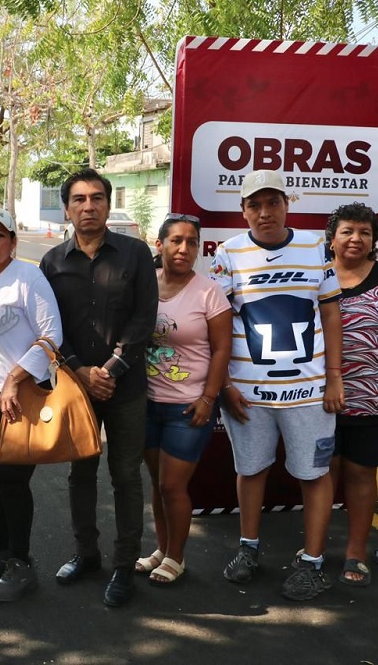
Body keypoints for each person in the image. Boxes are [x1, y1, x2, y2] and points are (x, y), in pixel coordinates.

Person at [210, 169, 344, 601]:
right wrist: (225, 383)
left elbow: (330, 314)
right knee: (250, 469)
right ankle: (248, 548)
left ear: (288, 203)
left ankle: (313, 562)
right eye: (255, 204)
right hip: (248, 393)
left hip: (308, 391)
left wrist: (334, 378)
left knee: (314, 473)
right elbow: (218, 325)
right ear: (243, 209)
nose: (264, 212)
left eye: (273, 203)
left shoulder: (315, 247)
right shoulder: (228, 253)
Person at [38, 168, 158, 608]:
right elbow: (50, 326)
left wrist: (109, 368)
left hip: (125, 387)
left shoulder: (136, 254)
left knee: (126, 476)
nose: (88, 206)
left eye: (97, 198)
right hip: (76, 386)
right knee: (81, 473)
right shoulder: (52, 262)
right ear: (67, 208)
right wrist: (82, 371)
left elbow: (145, 318)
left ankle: (124, 565)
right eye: (79, 199)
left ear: (107, 204)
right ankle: (86, 553)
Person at [0, 207, 63, 602]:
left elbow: (53, 336)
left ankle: (21, 563)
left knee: (14, 480)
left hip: (19, 395)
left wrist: (15, 379)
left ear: (13, 241)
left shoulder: (28, 277)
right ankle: (0, 549)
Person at [138, 214, 231, 585]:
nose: (184, 248)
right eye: (175, 240)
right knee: (158, 484)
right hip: (146, 404)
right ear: (159, 244)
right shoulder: (145, 285)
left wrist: (209, 398)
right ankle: (162, 548)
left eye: (192, 242)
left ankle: (177, 557)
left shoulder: (209, 292)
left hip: (188, 406)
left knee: (173, 486)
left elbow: (223, 348)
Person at [324, 202, 378, 586]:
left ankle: (355, 552)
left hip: (372, 400)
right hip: (317, 398)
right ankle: (315, 547)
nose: (356, 238)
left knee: (360, 473)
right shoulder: (315, 278)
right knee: (322, 473)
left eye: (365, 232)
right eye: (348, 231)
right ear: (332, 239)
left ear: (374, 240)